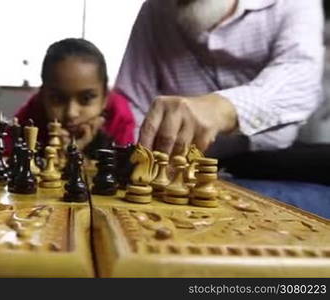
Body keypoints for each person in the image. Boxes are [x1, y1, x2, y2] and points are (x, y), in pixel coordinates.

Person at [115, 0, 330, 219]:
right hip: (176, 175)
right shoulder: (155, 9)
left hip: (268, 166)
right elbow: (134, 101)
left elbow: (300, 80)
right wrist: (142, 162)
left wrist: (223, 107)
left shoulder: (293, 4)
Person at [12, 38, 135, 157]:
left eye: (86, 99)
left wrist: (75, 155)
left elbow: (125, 171)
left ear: (105, 98)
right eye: (57, 99)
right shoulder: (30, 116)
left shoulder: (119, 117)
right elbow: (6, 157)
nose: (71, 113)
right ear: (42, 96)